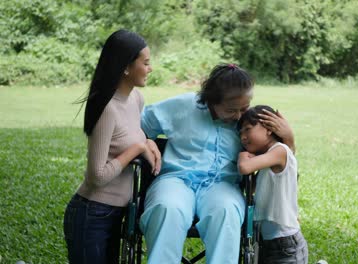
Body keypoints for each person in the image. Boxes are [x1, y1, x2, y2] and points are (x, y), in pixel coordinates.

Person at [139, 63, 295, 263]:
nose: (239, 116)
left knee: (225, 211)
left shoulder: (249, 124)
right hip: (175, 179)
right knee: (167, 208)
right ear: (212, 101)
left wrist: (288, 138)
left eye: (244, 108)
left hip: (223, 184)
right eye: (232, 110)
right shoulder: (183, 106)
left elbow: (278, 158)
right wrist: (147, 139)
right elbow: (137, 125)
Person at [63, 29, 160, 264]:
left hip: (118, 213)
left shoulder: (136, 99)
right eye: (145, 63)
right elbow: (96, 176)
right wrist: (137, 148)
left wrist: (147, 141)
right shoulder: (107, 109)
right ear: (126, 67)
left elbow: (129, 134)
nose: (150, 68)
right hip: (92, 214)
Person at [237, 105, 308, 264]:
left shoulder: (280, 151)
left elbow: (244, 167)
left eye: (248, 129)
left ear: (269, 128)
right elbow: (252, 189)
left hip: (285, 244)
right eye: (240, 133)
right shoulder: (268, 159)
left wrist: (243, 155)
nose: (243, 137)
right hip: (268, 242)